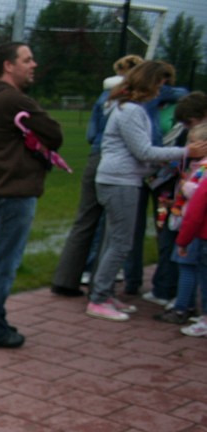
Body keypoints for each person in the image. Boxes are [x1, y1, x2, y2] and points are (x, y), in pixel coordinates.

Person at [86, 61, 207, 322]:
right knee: (121, 243)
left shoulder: (128, 108)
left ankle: (104, 293)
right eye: (159, 85)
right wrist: (187, 152)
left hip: (120, 179)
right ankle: (99, 298)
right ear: (147, 84)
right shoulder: (130, 110)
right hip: (120, 182)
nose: (161, 91)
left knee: (114, 241)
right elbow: (143, 151)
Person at [0, 42, 63, 347]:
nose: (33, 65)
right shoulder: (12, 99)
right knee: (2, 261)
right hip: (13, 190)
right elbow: (54, 134)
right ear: (8, 66)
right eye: (27, 59)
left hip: (2, 187)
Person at [51, 54, 143, 297]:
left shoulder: (104, 98)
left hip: (96, 157)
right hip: (118, 164)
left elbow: (91, 134)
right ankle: (100, 287)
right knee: (111, 226)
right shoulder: (132, 103)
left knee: (84, 220)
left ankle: (66, 279)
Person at [126, 64, 189, 303]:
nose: (161, 87)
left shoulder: (178, 105)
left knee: (166, 229)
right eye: (158, 81)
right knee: (133, 229)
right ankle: (132, 281)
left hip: (166, 180)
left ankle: (164, 286)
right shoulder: (140, 106)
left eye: (165, 82)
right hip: (141, 173)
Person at [163, 126, 207, 332]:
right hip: (196, 228)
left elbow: (197, 203)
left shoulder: (203, 169)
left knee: (188, 266)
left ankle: (182, 308)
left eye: (193, 141)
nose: (189, 146)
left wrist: (186, 187)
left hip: (197, 230)